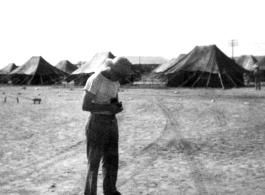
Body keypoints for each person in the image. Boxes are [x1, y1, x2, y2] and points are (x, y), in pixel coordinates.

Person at [82, 56, 132, 195]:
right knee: (94, 162)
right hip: (96, 123)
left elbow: (114, 99)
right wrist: (108, 107)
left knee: (111, 160)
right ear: (112, 69)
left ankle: (110, 191)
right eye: (118, 75)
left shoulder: (115, 81)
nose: (119, 78)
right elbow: (85, 105)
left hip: (111, 122)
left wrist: (116, 106)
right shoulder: (96, 79)